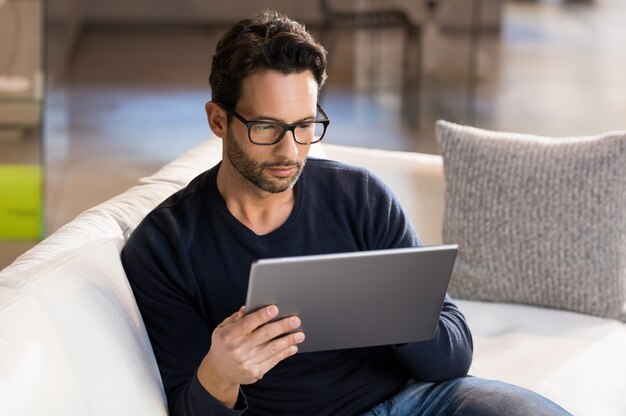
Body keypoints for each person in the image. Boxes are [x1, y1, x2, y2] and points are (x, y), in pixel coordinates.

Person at [121, 9, 571, 416]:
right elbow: (184, 407)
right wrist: (220, 374)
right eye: (267, 127)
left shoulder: (359, 196)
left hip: (414, 403)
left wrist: (397, 311)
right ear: (218, 120)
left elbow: (453, 358)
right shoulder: (164, 246)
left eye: (304, 126)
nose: (290, 150)